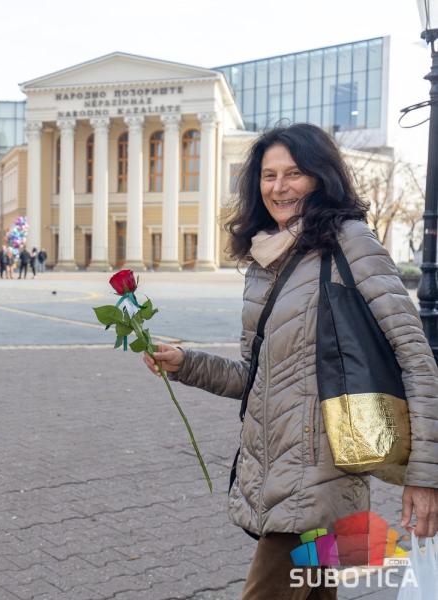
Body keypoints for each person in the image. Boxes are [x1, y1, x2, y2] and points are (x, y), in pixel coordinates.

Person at [142, 124, 438, 599]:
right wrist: (186, 363)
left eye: (294, 173)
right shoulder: (265, 263)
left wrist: (426, 478)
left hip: (317, 481)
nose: (279, 187)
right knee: (314, 593)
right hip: (274, 474)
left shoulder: (350, 243)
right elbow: (253, 378)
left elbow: (416, 359)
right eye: (268, 175)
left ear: (320, 178)